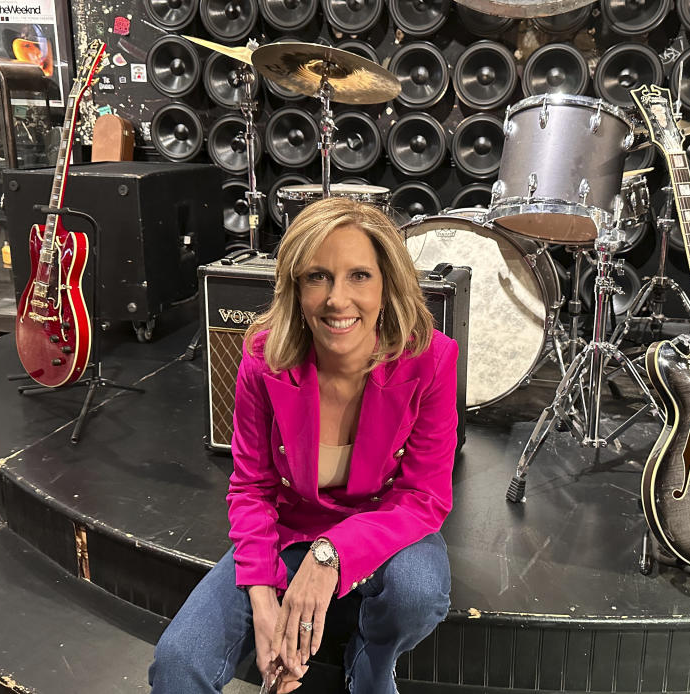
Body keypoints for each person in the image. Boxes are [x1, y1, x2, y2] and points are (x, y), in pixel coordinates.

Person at [149, 197, 459, 693]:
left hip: (383, 526)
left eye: (359, 275)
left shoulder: (431, 359)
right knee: (179, 663)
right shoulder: (262, 360)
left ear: (387, 285)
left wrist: (331, 554)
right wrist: (264, 602)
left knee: (417, 593)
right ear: (295, 286)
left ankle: (371, 666)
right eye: (318, 276)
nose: (338, 299)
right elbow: (251, 488)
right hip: (290, 531)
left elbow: (424, 498)